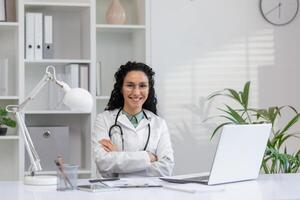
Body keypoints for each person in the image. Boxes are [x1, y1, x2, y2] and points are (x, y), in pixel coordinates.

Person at [93, 61, 174, 178]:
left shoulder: (159, 123)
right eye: (130, 85)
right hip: (115, 194)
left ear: (149, 89)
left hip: (150, 194)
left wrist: (118, 158)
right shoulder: (104, 120)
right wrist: (149, 157)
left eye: (142, 86)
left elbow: (166, 168)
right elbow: (103, 163)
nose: (136, 92)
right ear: (121, 88)